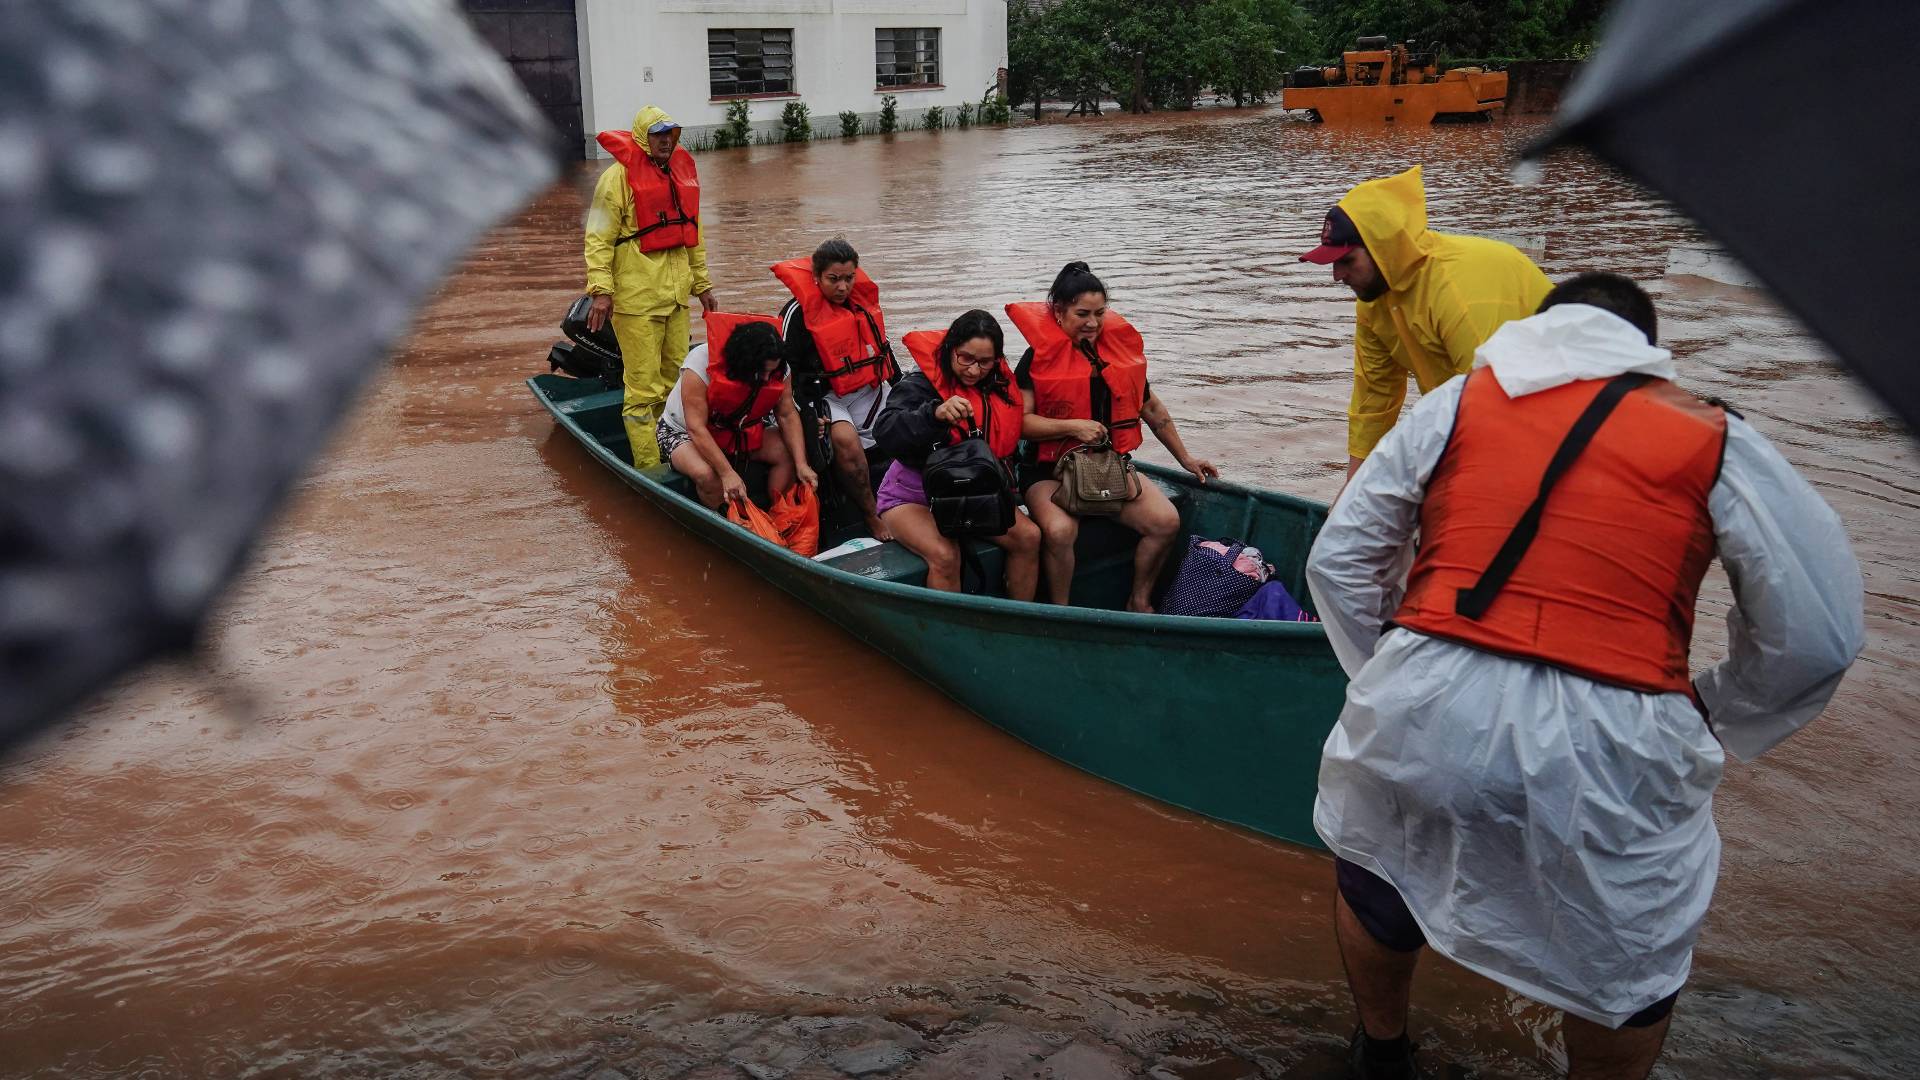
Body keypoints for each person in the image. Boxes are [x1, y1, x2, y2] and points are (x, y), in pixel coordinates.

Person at [1305, 273, 1864, 1080]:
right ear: (1645, 347)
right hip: (1617, 730)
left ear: (1537, 328)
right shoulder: (1717, 437)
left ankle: (1381, 1055)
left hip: (1422, 697)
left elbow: (1343, 559)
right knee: (1624, 963)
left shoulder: (1457, 403)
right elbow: (1818, 635)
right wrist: (1716, 711)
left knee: (1380, 877)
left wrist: (1390, 675)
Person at [1301, 165, 1552, 480]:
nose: (1337, 275)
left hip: (1552, 416)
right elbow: (1374, 401)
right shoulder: (1374, 300)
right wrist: (1351, 494)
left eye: (1346, 261)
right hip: (1480, 412)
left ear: (1384, 249)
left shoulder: (1459, 292)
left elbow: (1495, 411)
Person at [1005, 262, 1217, 612]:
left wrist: (1186, 459)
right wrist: (1072, 426)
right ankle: (1062, 610)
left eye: (1100, 313)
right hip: (1048, 472)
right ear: (1058, 310)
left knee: (1165, 522)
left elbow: (1152, 410)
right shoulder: (1036, 358)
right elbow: (1021, 423)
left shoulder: (1118, 354)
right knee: (1059, 532)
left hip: (1108, 465)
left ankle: (1139, 600)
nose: (1092, 323)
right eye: (1082, 313)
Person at [872, 310, 1043, 599]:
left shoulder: (999, 386)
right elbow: (886, 429)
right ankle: (950, 636)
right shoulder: (920, 384)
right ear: (951, 349)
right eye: (966, 358)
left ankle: (1015, 622)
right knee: (944, 555)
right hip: (913, 496)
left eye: (985, 362)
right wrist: (933, 414)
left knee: (1029, 537)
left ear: (997, 360)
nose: (974, 371)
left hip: (975, 493)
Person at [584, 105, 718, 469]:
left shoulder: (679, 177)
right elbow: (597, 238)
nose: (665, 140)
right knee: (643, 391)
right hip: (636, 302)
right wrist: (600, 290)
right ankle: (651, 467)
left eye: (670, 134)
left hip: (675, 300)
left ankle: (679, 453)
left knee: (678, 384)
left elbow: (695, 238)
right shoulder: (616, 179)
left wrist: (703, 287)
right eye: (658, 134)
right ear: (644, 138)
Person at [773, 239, 901, 540]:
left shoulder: (862, 303)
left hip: (868, 386)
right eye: (834, 279)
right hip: (825, 395)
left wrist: (901, 389)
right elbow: (786, 372)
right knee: (846, 441)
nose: (843, 287)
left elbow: (882, 349)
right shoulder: (797, 313)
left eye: (849, 278)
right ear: (816, 277)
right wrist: (807, 414)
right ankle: (871, 514)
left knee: (909, 423)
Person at [658, 315, 815, 510]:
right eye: (760, 372)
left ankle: (778, 515)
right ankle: (728, 524)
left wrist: (801, 464)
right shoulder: (700, 363)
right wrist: (726, 473)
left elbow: (786, 414)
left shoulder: (778, 367)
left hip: (741, 429)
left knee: (788, 453)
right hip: (683, 432)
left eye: (771, 372)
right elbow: (696, 428)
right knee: (707, 474)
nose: (766, 379)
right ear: (743, 362)